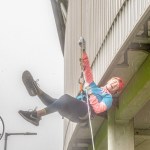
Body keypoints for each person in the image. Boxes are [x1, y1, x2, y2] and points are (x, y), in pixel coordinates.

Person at [18, 37, 124, 126]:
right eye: (114, 81)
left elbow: (98, 109)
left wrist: (91, 94)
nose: (114, 85)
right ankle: (37, 91)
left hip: (84, 114)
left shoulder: (108, 98)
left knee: (65, 98)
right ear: (110, 80)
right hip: (73, 111)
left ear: (115, 92)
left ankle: (36, 115)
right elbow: (87, 72)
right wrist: (83, 51)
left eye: (116, 86)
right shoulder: (95, 87)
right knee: (55, 102)